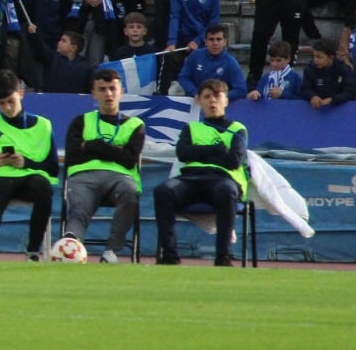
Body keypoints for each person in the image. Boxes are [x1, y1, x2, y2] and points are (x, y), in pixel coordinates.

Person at [0, 69, 57, 261]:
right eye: (1, 103)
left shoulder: (43, 125)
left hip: (29, 179)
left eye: (10, 101)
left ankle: (32, 252)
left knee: (43, 188)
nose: (6, 107)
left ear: (21, 93)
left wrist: (26, 162)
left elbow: (52, 168)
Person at [152, 78, 247, 266]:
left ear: (226, 100)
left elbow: (233, 161)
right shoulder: (191, 128)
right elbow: (183, 154)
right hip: (191, 179)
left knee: (227, 191)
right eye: (207, 96)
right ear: (198, 101)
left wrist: (199, 152)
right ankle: (169, 256)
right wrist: (217, 149)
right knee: (163, 191)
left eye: (217, 96)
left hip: (222, 179)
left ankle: (223, 257)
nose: (212, 101)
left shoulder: (238, 130)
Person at [61, 68, 143, 263]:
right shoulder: (80, 121)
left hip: (121, 177)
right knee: (80, 206)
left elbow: (129, 159)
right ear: (94, 93)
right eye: (102, 89)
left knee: (130, 193)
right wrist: (115, 150)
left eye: (112, 89)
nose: (108, 94)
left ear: (121, 91)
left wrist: (91, 145)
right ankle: (71, 241)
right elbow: (73, 156)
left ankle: (111, 251)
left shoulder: (135, 125)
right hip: (83, 175)